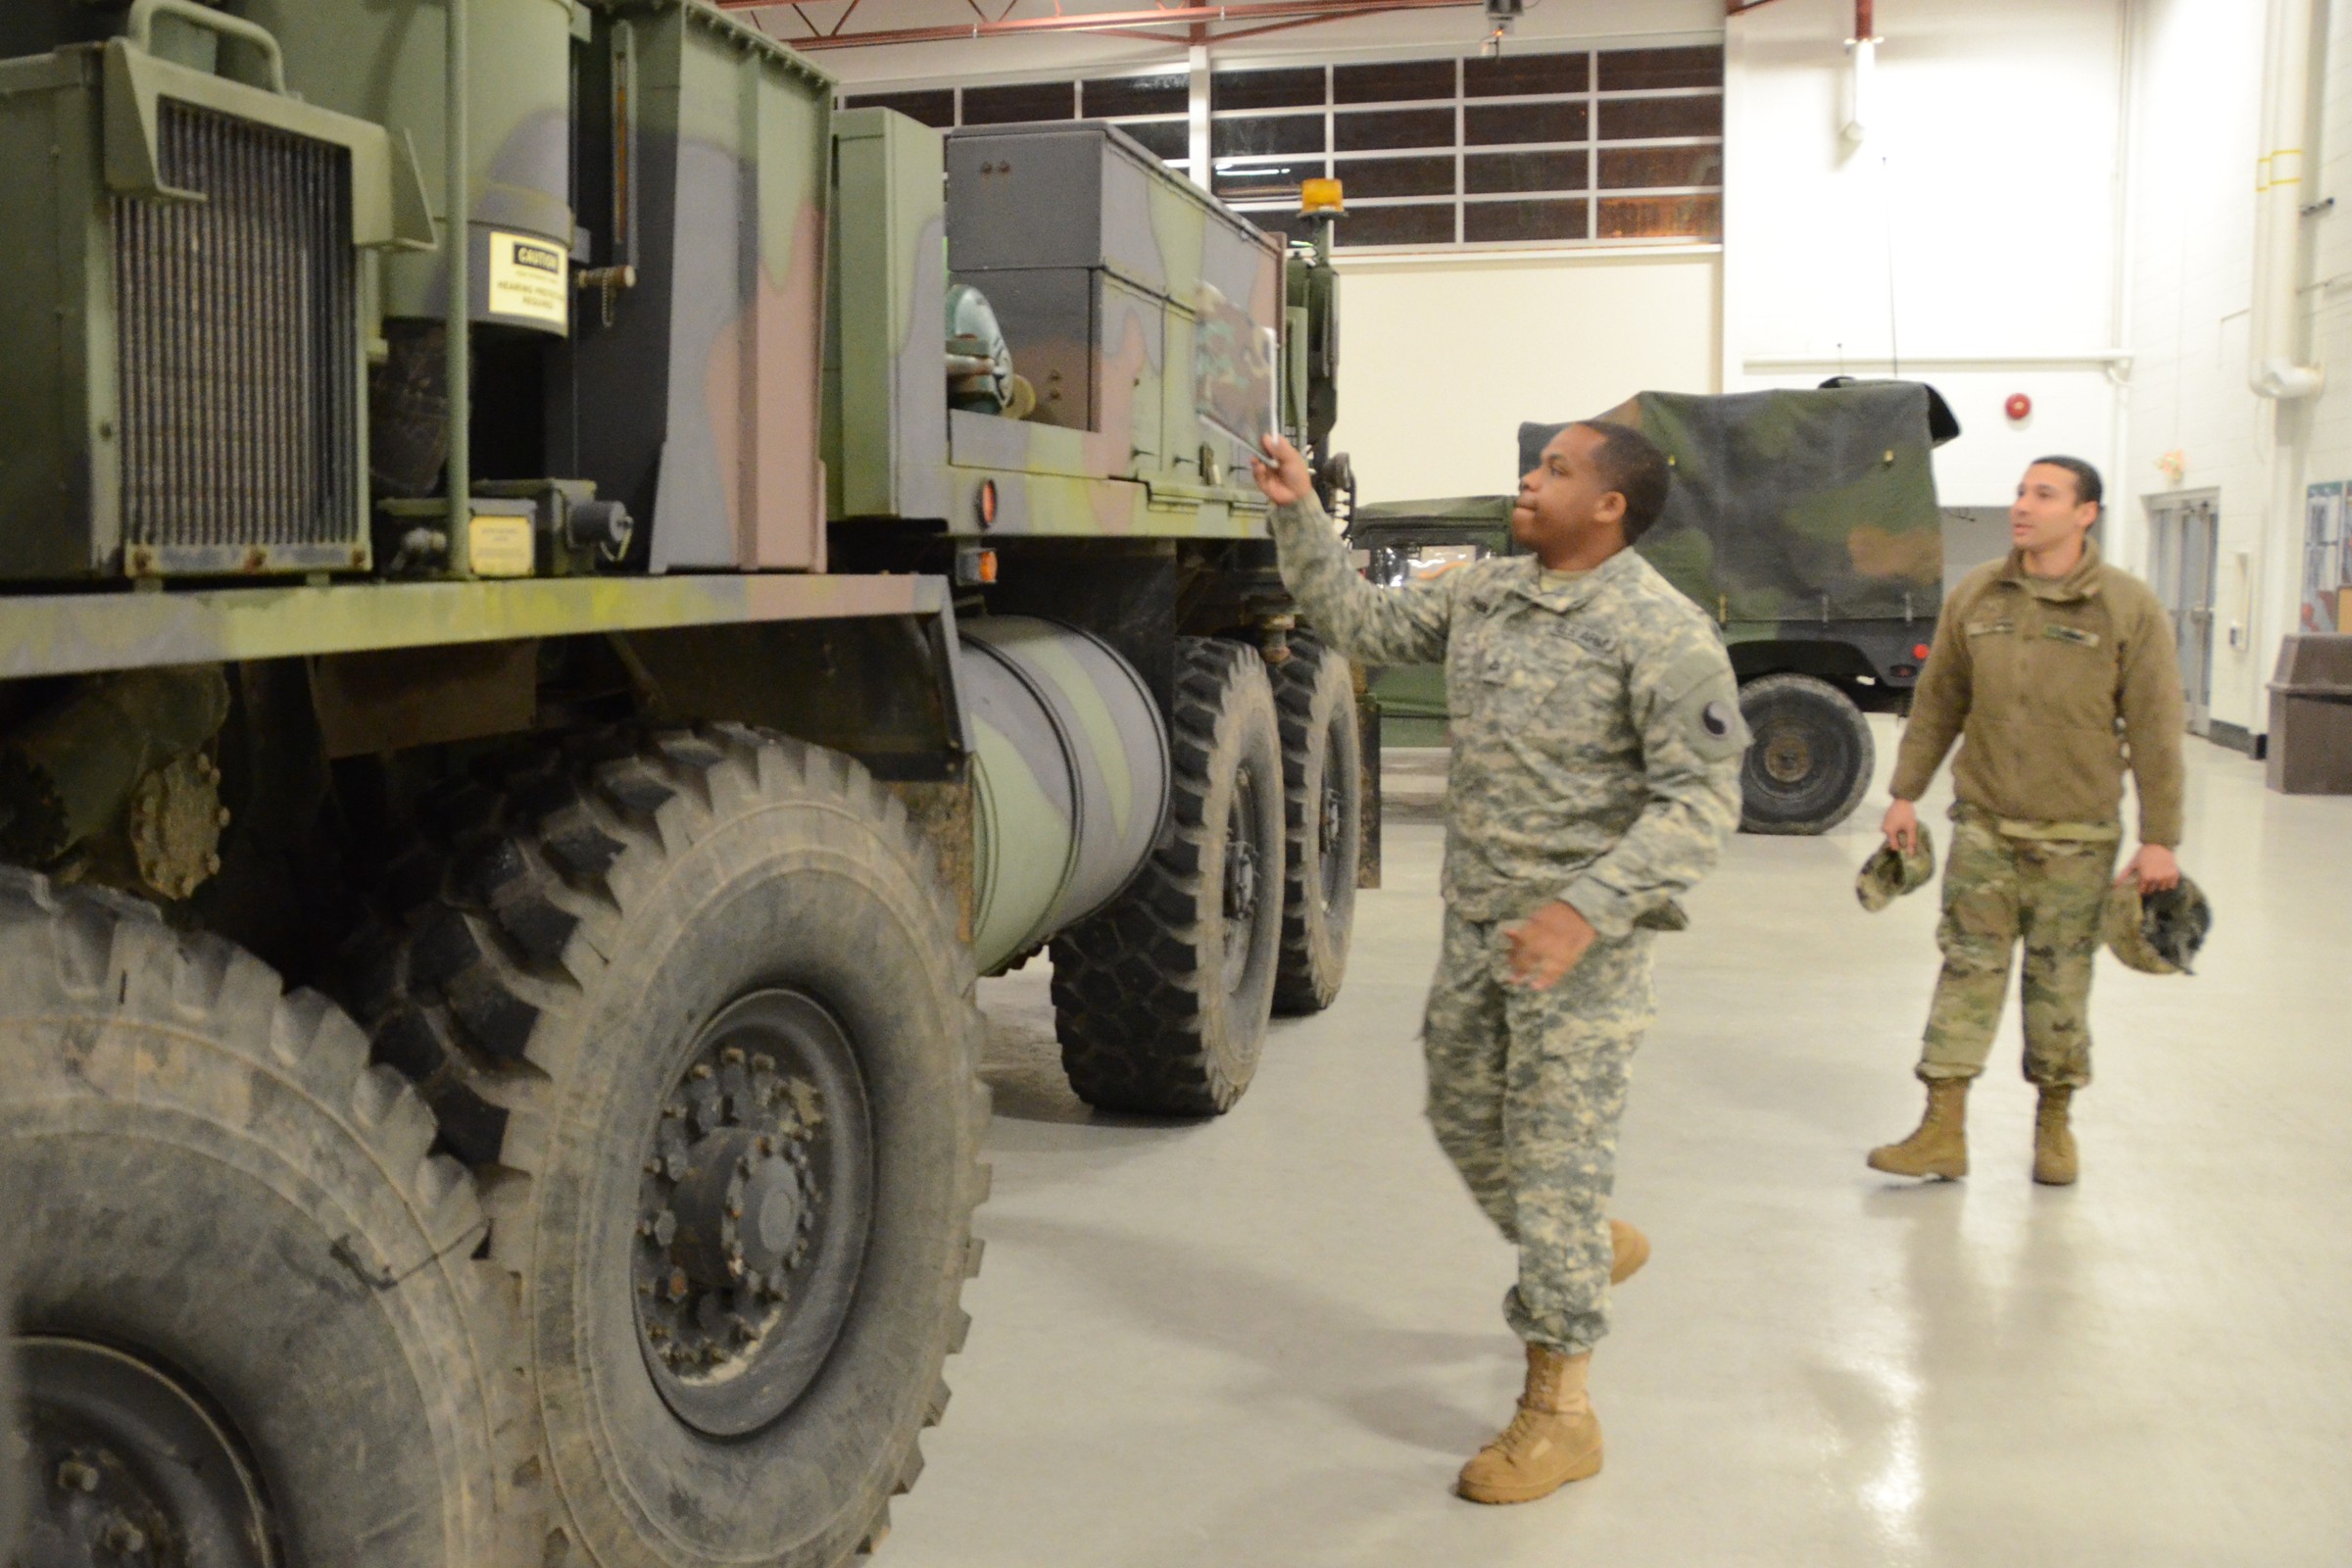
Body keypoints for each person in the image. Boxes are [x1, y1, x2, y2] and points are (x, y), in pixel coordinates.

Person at [1250, 424, 1746, 1504]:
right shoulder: (1486, 594)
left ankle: (1561, 1413)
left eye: (1559, 470)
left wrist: (1588, 907)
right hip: (1480, 929)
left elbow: (1702, 802)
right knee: (1465, 1116)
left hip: (1585, 950)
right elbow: (1361, 618)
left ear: (1611, 507)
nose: (1531, 479)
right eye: (1539, 465)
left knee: (1554, 1163)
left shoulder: (1661, 632)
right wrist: (1296, 508)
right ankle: (1577, 1239)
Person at [1868, 456, 2185, 1186]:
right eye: (2019, 492)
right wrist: (1905, 791)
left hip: (2077, 836)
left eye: (2044, 495)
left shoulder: (2124, 607)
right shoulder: (1978, 597)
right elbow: (1940, 700)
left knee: (2060, 983)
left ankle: (2055, 1126)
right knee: (1966, 971)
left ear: (2085, 513)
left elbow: (2158, 728)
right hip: (1983, 828)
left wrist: (2160, 837)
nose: (2022, 506)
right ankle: (1942, 1129)